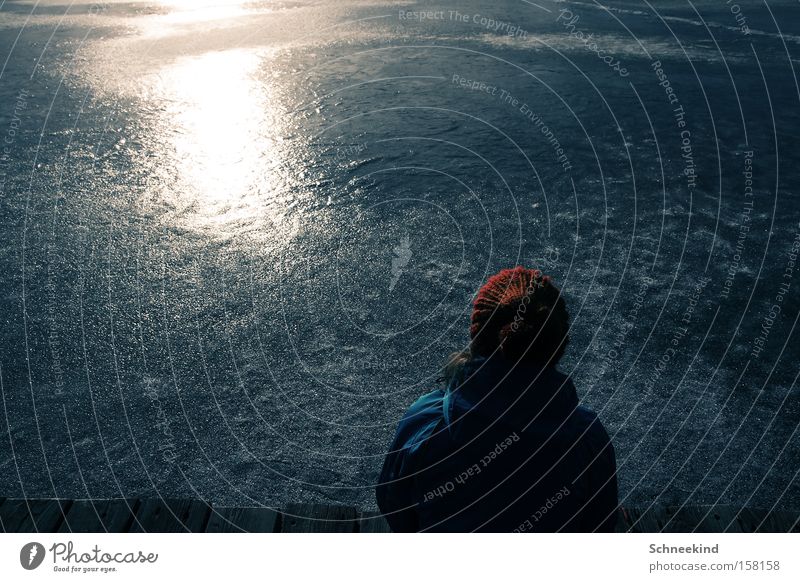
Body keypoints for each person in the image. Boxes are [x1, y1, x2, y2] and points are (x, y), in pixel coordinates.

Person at [376, 267, 618, 532]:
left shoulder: (424, 425)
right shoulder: (587, 439)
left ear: (478, 337)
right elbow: (600, 525)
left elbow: (396, 509)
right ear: (558, 346)